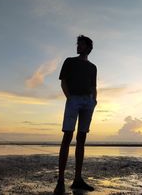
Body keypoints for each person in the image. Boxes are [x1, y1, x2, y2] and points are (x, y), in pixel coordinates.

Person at [54, 35, 97, 194]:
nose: (78, 46)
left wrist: (94, 100)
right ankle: (60, 180)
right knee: (67, 136)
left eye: (81, 44)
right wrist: (69, 98)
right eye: (77, 44)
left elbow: (93, 86)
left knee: (82, 138)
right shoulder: (69, 61)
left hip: (88, 102)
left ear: (88, 47)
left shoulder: (93, 67)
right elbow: (63, 81)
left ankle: (77, 179)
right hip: (73, 100)